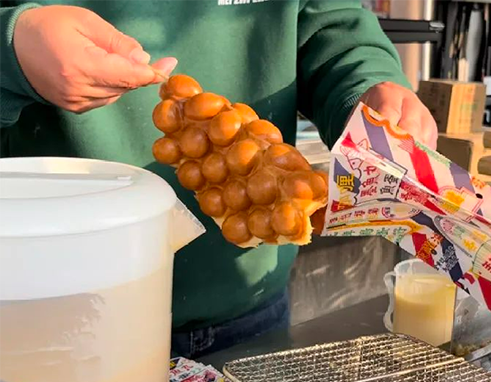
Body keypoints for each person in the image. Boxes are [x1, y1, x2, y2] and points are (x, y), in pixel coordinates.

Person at [0, 0, 438, 358]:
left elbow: (329, 27)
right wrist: (10, 52)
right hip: (54, 311)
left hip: (248, 304)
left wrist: (368, 85)